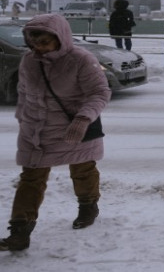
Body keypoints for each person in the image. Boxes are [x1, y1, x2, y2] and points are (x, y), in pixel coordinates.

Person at [0, 13, 111, 252]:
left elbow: (100, 93)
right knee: (31, 178)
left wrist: (82, 119)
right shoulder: (29, 60)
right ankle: (19, 232)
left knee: (82, 170)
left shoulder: (81, 59)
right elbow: (23, 92)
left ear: (60, 38)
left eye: (44, 43)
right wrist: (22, 118)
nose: (38, 49)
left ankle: (88, 206)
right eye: (34, 43)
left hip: (74, 127)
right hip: (36, 132)